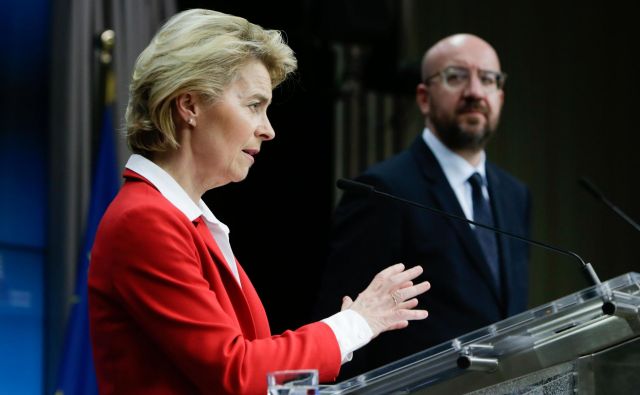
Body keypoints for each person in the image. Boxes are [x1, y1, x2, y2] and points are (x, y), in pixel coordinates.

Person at [87, 8, 431, 395]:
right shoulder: (145, 220)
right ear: (190, 105)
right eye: (254, 105)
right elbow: (238, 372)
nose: (268, 130)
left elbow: (250, 366)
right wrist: (357, 323)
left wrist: (351, 326)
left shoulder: (186, 220)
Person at [314, 33, 531, 379]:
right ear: (424, 98)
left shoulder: (514, 194)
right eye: (456, 77)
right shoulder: (382, 190)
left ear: (500, 97)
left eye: (488, 79)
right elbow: (343, 322)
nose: (475, 91)